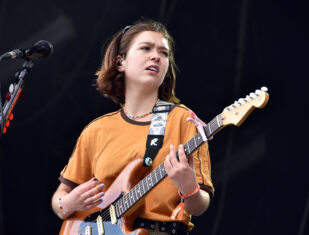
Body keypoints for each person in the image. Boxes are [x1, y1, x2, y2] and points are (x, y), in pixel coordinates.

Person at [51, 19, 214, 235]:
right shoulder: (96, 130)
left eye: (164, 53)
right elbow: (61, 196)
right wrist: (67, 204)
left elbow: (199, 206)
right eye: (146, 48)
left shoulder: (183, 120)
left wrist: (189, 188)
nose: (156, 56)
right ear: (121, 62)